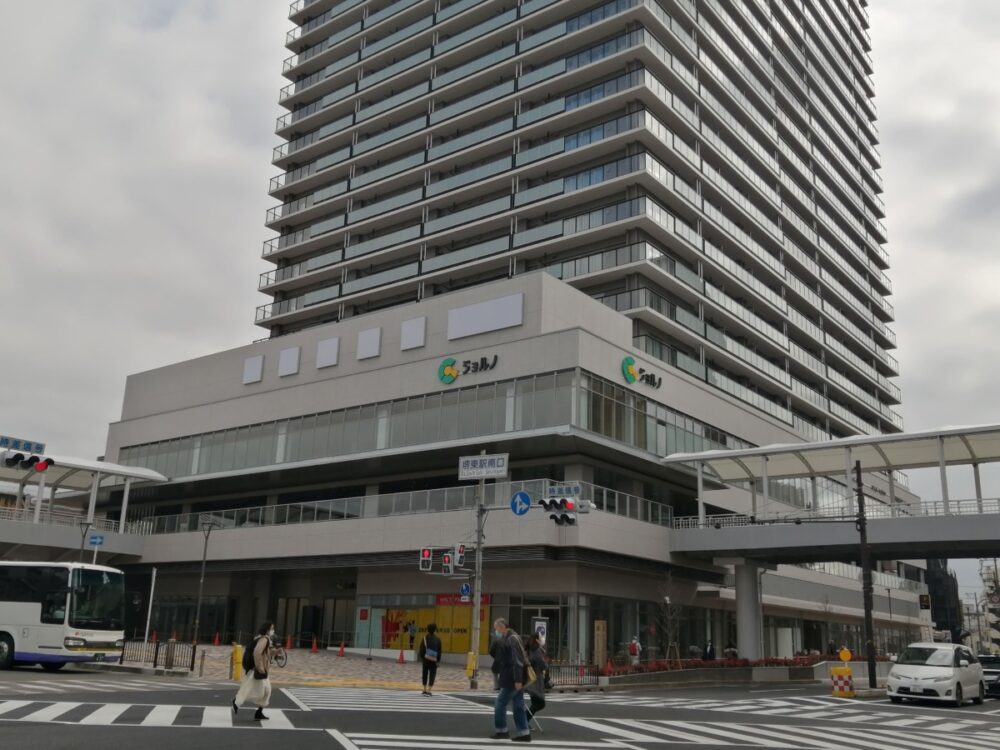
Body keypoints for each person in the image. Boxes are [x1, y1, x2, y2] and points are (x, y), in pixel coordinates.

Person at [491, 618, 531, 742]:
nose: (496, 632)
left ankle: (502, 730)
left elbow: (517, 660)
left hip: (511, 678)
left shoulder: (512, 639)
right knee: (518, 704)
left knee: (500, 703)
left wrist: (518, 679)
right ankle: (524, 733)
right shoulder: (512, 637)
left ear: (502, 627)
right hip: (514, 676)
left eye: (496, 629)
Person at [233, 621, 273, 721]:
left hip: (258, 670)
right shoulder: (264, 639)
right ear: (267, 630)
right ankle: (237, 701)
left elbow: (265, 653)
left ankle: (258, 712)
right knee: (262, 690)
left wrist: (276, 652)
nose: (273, 631)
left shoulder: (260, 638)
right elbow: (257, 652)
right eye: (272, 628)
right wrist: (260, 667)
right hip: (259, 670)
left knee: (257, 689)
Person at [524, 632, 547, 723]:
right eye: (541, 638)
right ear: (537, 640)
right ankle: (524, 720)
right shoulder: (536, 650)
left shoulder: (530, 649)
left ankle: (525, 721)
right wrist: (546, 666)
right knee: (540, 703)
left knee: (535, 703)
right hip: (535, 680)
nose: (542, 639)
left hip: (531, 679)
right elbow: (542, 664)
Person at [417, 623, 442, 695]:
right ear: (435, 630)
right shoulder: (438, 639)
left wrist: (423, 658)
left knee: (425, 673)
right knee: (432, 674)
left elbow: (421, 650)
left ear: (427, 629)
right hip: (434, 660)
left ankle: (424, 689)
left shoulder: (425, 638)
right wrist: (438, 660)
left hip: (426, 659)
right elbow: (439, 651)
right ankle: (429, 690)